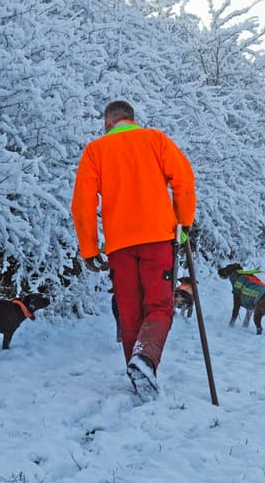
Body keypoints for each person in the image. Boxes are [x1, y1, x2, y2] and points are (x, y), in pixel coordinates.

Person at [72, 100, 195, 399]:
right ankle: (145, 360)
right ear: (131, 119)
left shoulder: (95, 151)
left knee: (129, 312)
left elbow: (83, 204)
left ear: (108, 122)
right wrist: (184, 222)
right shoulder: (156, 140)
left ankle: (138, 373)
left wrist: (89, 248)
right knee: (159, 306)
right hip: (157, 239)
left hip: (119, 246)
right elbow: (184, 181)